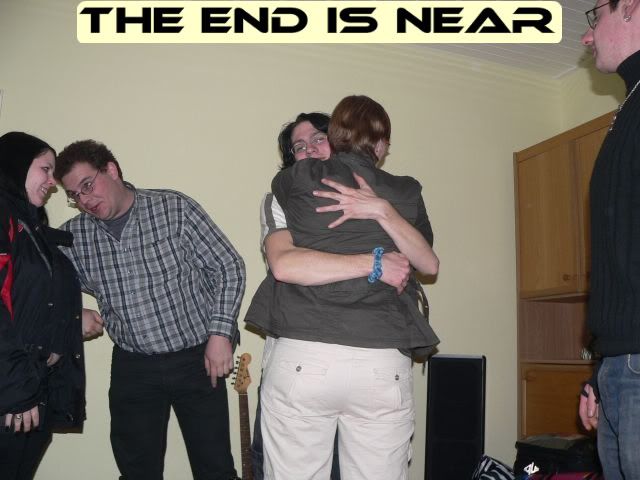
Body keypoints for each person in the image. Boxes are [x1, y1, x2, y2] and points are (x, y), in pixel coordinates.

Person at [247, 96, 439, 479]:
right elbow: (284, 264)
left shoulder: (386, 195)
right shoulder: (283, 197)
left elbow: (428, 263)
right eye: (298, 147)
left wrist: (380, 208)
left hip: (320, 358)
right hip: (351, 358)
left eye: (318, 139)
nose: (308, 150)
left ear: (338, 138)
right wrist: (376, 263)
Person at [53, 140, 245, 480]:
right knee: (136, 472)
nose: (84, 200)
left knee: (214, 467)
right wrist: (72, 314)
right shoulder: (72, 236)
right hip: (133, 367)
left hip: (197, 358)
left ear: (111, 170)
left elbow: (228, 266)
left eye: (87, 185)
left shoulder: (173, 208)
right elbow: (39, 288)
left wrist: (220, 334)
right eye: (74, 195)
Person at [0, 132, 85, 480]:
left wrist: (73, 318)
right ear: (16, 165)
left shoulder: (30, 225)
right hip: (12, 393)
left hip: (35, 387)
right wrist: (17, 391)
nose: (53, 182)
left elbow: (29, 296)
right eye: (45, 169)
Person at [578, 1, 640, 478]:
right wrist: (600, 373)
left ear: (631, 8)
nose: (587, 36)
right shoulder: (630, 108)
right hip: (621, 366)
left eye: (595, 16)